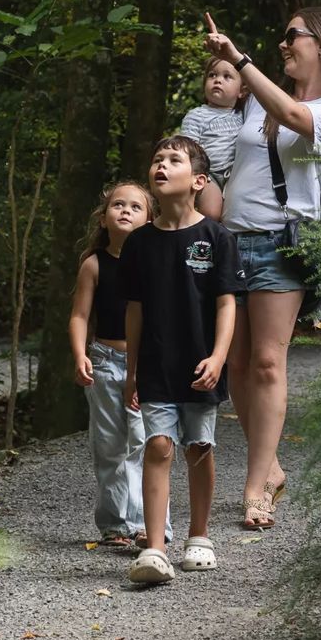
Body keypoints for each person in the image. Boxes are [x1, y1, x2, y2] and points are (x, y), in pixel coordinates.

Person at [205, 7, 321, 530]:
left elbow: (296, 119)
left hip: (281, 244)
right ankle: (269, 468)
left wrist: (241, 60)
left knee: (269, 364)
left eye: (292, 35)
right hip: (230, 242)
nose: (283, 44)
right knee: (237, 366)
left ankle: (254, 489)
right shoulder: (255, 103)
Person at [120, 136, 243, 586]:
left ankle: (199, 536)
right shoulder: (138, 244)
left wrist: (218, 356)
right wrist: (131, 370)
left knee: (199, 447)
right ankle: (154, 548)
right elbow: (134, 309)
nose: (162, 165)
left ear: (198, 181)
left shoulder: (217, 237)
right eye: (157, 159)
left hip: (200, 366)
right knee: (157, 446)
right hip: (154, 364)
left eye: (174, 160)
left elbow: (227, 303)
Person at [67, 180, 156, 549]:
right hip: (104, 362)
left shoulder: (153, 264)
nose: (126, 211)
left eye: (136, 207)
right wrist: (80, 354)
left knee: (141, 442)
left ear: (150, 220)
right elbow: (79, 315)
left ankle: (140, 523)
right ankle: (115, 524)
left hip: (144, 364)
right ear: (103, 218)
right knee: (108, 445)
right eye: (118, 205)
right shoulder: (94, 264)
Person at [177, 55, 247, 220]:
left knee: (234, 214)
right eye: (212, 75)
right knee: (211, 213)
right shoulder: (196, 115)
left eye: (227, 76)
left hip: (237, 173)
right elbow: (188, 149)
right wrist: (197, 173)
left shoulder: (244, 114)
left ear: (242, 91)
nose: (218, 80)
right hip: (210, 174)